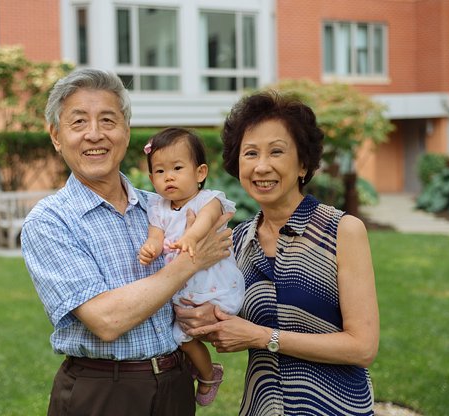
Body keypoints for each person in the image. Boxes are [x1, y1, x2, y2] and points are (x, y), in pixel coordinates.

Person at [20, 68, 234, 416]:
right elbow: (106, 320)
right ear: (56, 136)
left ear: (126, 131)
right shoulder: (49, 221)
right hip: (103, 392)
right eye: (78, 123)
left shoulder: (160, 208)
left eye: (108, 120)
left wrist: (207, 310)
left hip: (176, 384)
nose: (94, 134)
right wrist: (192, 261)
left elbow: (212, 268)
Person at [175, 90, 380, 415]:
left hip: (337, 407)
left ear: (303, 164)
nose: (261, 166)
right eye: (251, 153)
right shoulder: (238, 240)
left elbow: (363, 347)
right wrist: (207, 319)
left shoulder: (342, 230)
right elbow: (231, 323)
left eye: (276, 152)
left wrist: (263, 337)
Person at [137, 127, 245, 406]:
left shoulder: (208, 199)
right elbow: (156, 235)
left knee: (203, 329)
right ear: (151, 179)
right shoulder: (158, 207)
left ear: (199, 173)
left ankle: (203, 370)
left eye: (177, 168)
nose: (168, 176)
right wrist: (151, 248)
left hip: (216, 286)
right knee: (181, 337)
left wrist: (190, 237)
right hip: (183, 288)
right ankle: (210, 373)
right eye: (159, 172)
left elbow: (206, 222)